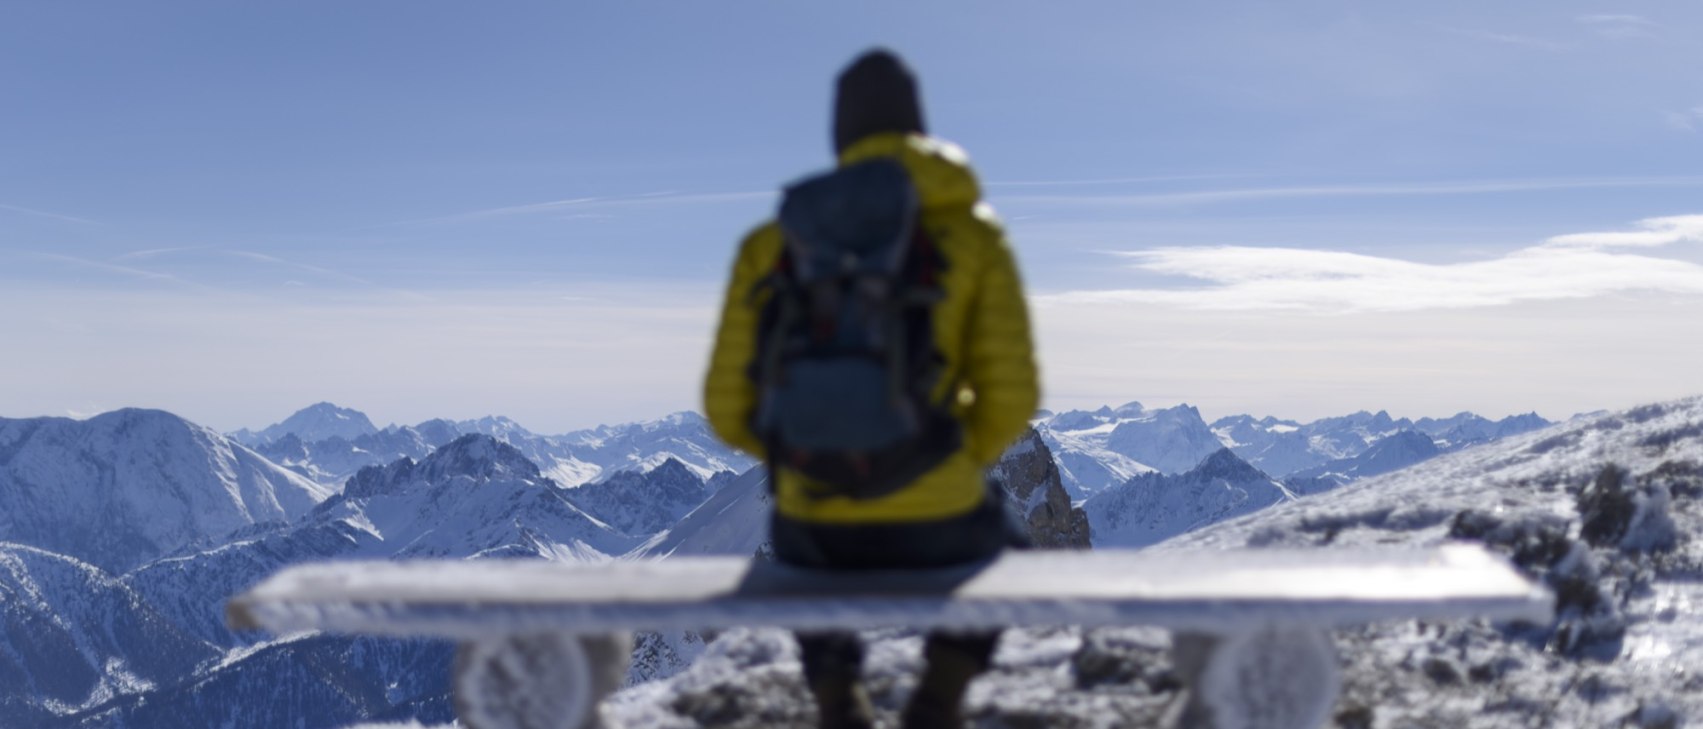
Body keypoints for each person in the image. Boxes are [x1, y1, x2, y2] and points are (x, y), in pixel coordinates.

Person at [703, 48, 1040, 729]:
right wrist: (946, 454)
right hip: (941, 520)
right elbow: (1013, 394)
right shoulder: (973, 235)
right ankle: (938, 697)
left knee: (791, 538)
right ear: (919, 127)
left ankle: (837, 697)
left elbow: (724, 407)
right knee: (1017, 551)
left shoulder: (773, 243)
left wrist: (797, 452)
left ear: (840, 140)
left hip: (813, 520)